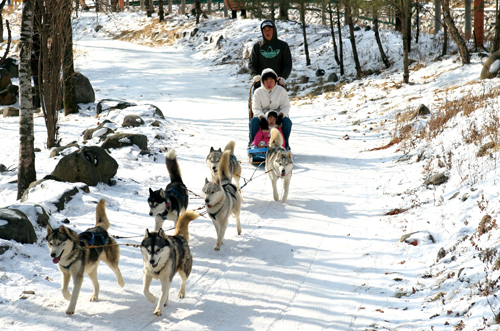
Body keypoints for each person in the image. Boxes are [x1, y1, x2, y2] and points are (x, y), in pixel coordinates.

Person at [250, 68, 291, 150]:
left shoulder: (281, 91)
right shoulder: (258, 92)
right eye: (266, 81)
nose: (269, 83)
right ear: (262, 82)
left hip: (278, 115)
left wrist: (281, 115)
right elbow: (256, 108)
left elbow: (285, 106)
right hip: (262, 116)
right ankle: (253, 144)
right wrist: (262, 118)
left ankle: (284, 145)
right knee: (254, 122)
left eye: (271, 81)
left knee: (287, 122)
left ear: (275, 81)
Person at [248, 20, 293, 90]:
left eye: (269, 29)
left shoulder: (283, 46)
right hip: (261, 83)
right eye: (265, 30)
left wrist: (283, 77)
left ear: (274, 30)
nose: (267, 32)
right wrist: (255, 75)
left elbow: (288, 64)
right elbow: (252, 64)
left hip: (278, 82)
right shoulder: (257, 47)